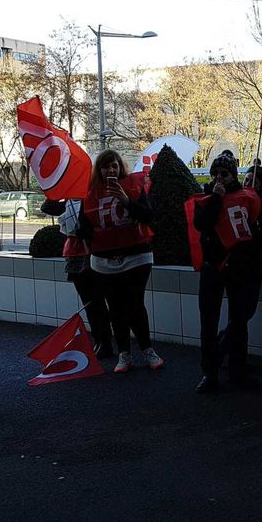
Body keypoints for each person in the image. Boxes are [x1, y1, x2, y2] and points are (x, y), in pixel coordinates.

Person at [77, 149, 161, 373]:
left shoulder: (133, 186)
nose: (110, 170)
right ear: (99, 170)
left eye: (114, 166)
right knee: (114, 308)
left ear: (120, 167)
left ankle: (147, 349)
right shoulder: (90, 193)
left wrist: (125, 199)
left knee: (135, 304)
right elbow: (82, 227)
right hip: (104, 260)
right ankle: (124, 353)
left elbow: (148, 216)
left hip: (136, 256)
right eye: (106, 166)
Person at [191, 153, 262, 393]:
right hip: (213, 267)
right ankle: (209, 373)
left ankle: (237, 370)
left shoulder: (246, 197)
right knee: (208, 322)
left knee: (239, 320)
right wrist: (217, 198)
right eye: (216, 174)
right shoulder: (204, 199)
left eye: (225, 174)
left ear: (233, 175)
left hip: (239, 267)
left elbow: (252, 227)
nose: (219, 178)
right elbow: (202, 224)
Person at [41, 198, 114, 358]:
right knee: (88, 301)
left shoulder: (93, 196)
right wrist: (58, 191)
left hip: (93, 251)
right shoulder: (68, 201)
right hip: (74, 253)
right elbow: (47, 207)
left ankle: (106, 341)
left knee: (97, 300)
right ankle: (99, 340)